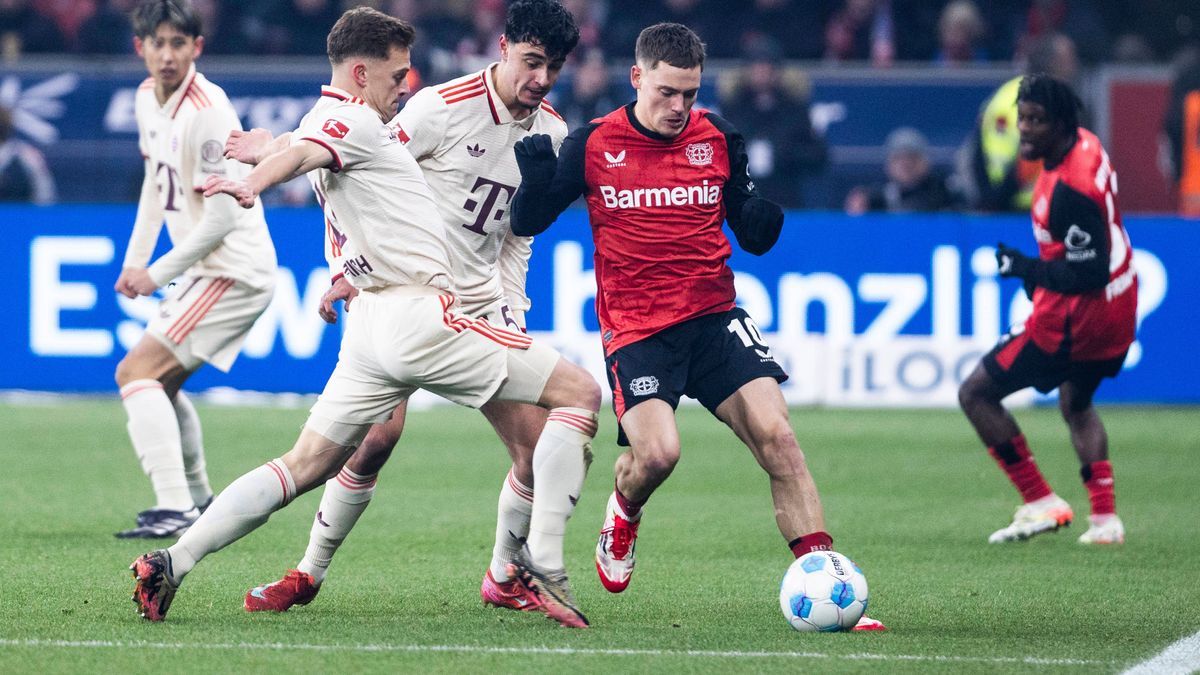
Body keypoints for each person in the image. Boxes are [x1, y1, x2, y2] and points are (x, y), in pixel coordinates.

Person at [130, 6, 601, 629]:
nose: (405, 85)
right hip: (424, 310)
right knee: (580, 396)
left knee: (309, 461)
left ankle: (176, 557)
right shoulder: (425, 110)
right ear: (505, 47)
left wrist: (279, 170)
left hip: (401, 311)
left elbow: (332, 156)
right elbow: (326, 152)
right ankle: (538, 565)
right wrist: (261, 179)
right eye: (397, 74)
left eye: (554, 66)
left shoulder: (535, 129)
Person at [509, 22, 883, 631]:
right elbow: (529, 222)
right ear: (637, 79)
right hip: (637, 328)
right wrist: (534, 178)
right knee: (657, 455)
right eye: (667, 93)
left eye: (690, 93)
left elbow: (749, 226)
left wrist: (761, 218)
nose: (680, 107)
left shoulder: (719, 137)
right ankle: (624, 507)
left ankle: (825, 581)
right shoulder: (594, 144)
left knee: (779, 438)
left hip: (713, 316)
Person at [112, 0, 277, 539]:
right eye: (157, 43)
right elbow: (155, 190)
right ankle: (198, 500)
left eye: (178, 44)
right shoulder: (145, 100)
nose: (167, 55)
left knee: (135, 373)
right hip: (210, 271)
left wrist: (155, 275)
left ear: (196, 48)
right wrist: (135, 261)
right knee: (160, 385)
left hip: (233, 270)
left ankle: (176, 506)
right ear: (140, 48)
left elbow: (226, 216)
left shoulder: (208, 110)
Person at [958, 74, 1137, 546]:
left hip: (1077, 319)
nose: (1025, 131)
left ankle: (1040, 500)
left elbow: (1087, 272)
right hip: (1119, 305)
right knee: (1076, 401)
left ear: (1060, 122)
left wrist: (1025, 269)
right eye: (1022, 119)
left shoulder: (1069, 190)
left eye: (1036, 120)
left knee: (976, 393)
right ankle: (1105, 521)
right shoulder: (1086, 146)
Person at [718, 38, 827, 209]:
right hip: (741, 201)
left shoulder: (794, 109)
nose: (762, 73)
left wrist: (782, 154)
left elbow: (818, 156)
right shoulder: (734, 107)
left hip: (785, 198)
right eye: (756, 67)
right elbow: (717, 153)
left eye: (767, 67)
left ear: (777, 71)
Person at [844, 127, 962, 214]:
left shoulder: (945, 192)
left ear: (925, 162)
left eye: (912, 157)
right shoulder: (878, 197)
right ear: (888, 165)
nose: (905, 164)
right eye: (898, 158)